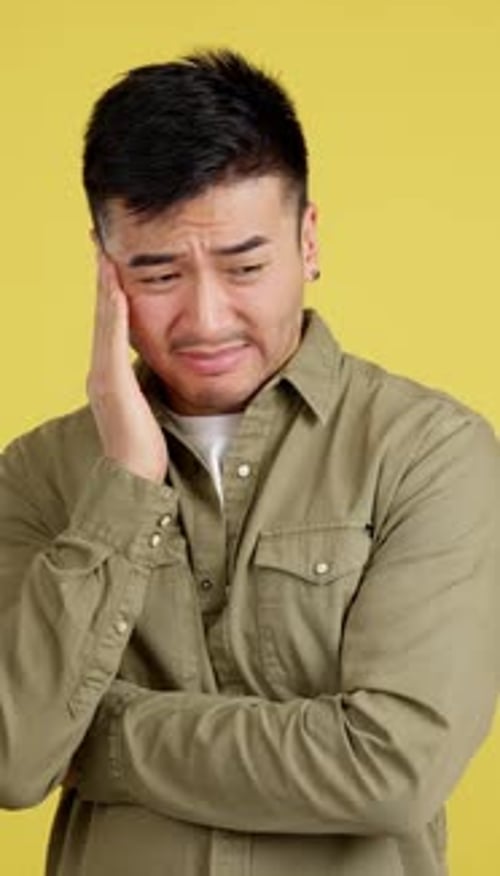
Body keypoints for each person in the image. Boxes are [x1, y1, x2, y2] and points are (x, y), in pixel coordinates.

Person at [0, 49, 498, 876]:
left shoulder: (429, 452)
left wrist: (103, 738)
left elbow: (393, 769)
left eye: (245, 267)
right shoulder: (39, 475)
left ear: (307, 241)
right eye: (156, 272)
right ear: (103, 265)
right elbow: (14, 756)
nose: (205, 317)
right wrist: (122, 484)